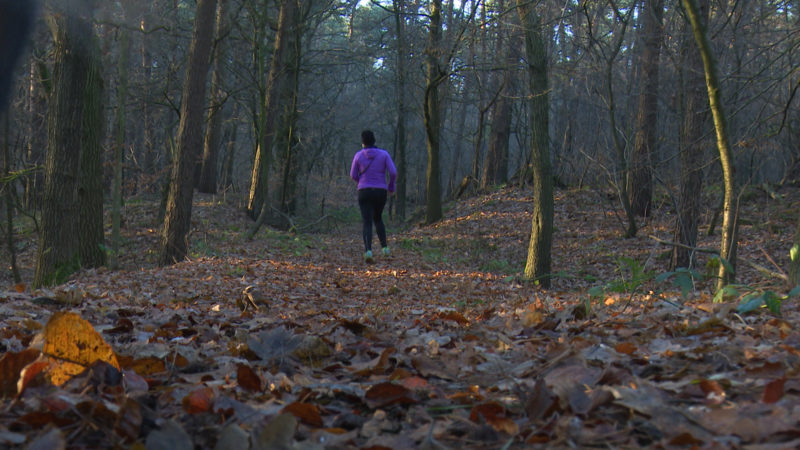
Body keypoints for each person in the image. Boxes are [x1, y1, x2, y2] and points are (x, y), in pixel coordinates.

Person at [350, 130, 397, 263]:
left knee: (367, 221)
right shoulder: (384, 154)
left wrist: (361, 182)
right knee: (378, 218)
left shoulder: (358, 156)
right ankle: (385, 249)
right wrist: (391, 186)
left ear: (362, 142)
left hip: (364, 191)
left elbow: (353, 174)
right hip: (380, 191)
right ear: (374, 140)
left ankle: (368, 251)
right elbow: (393, 172)